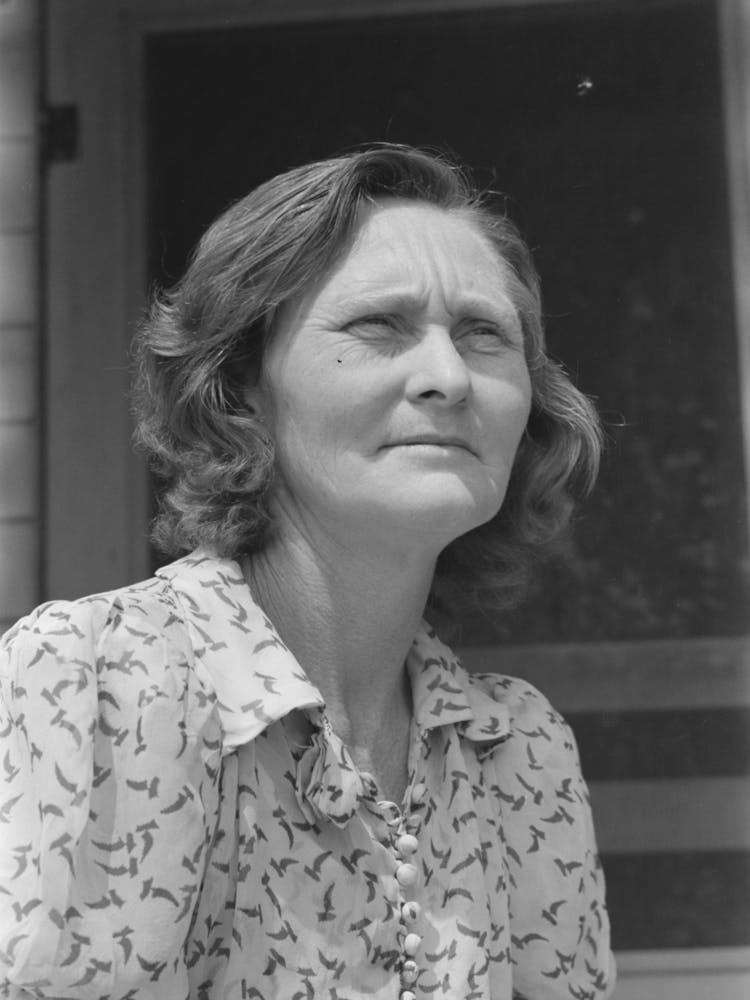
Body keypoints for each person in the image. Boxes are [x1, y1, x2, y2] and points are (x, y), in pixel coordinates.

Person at [0, 144, 615, 1000]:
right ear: (242, 384)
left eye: (484, 336)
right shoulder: (105, 681)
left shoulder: (517, 749)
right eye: (379, 327)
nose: (446, 377)